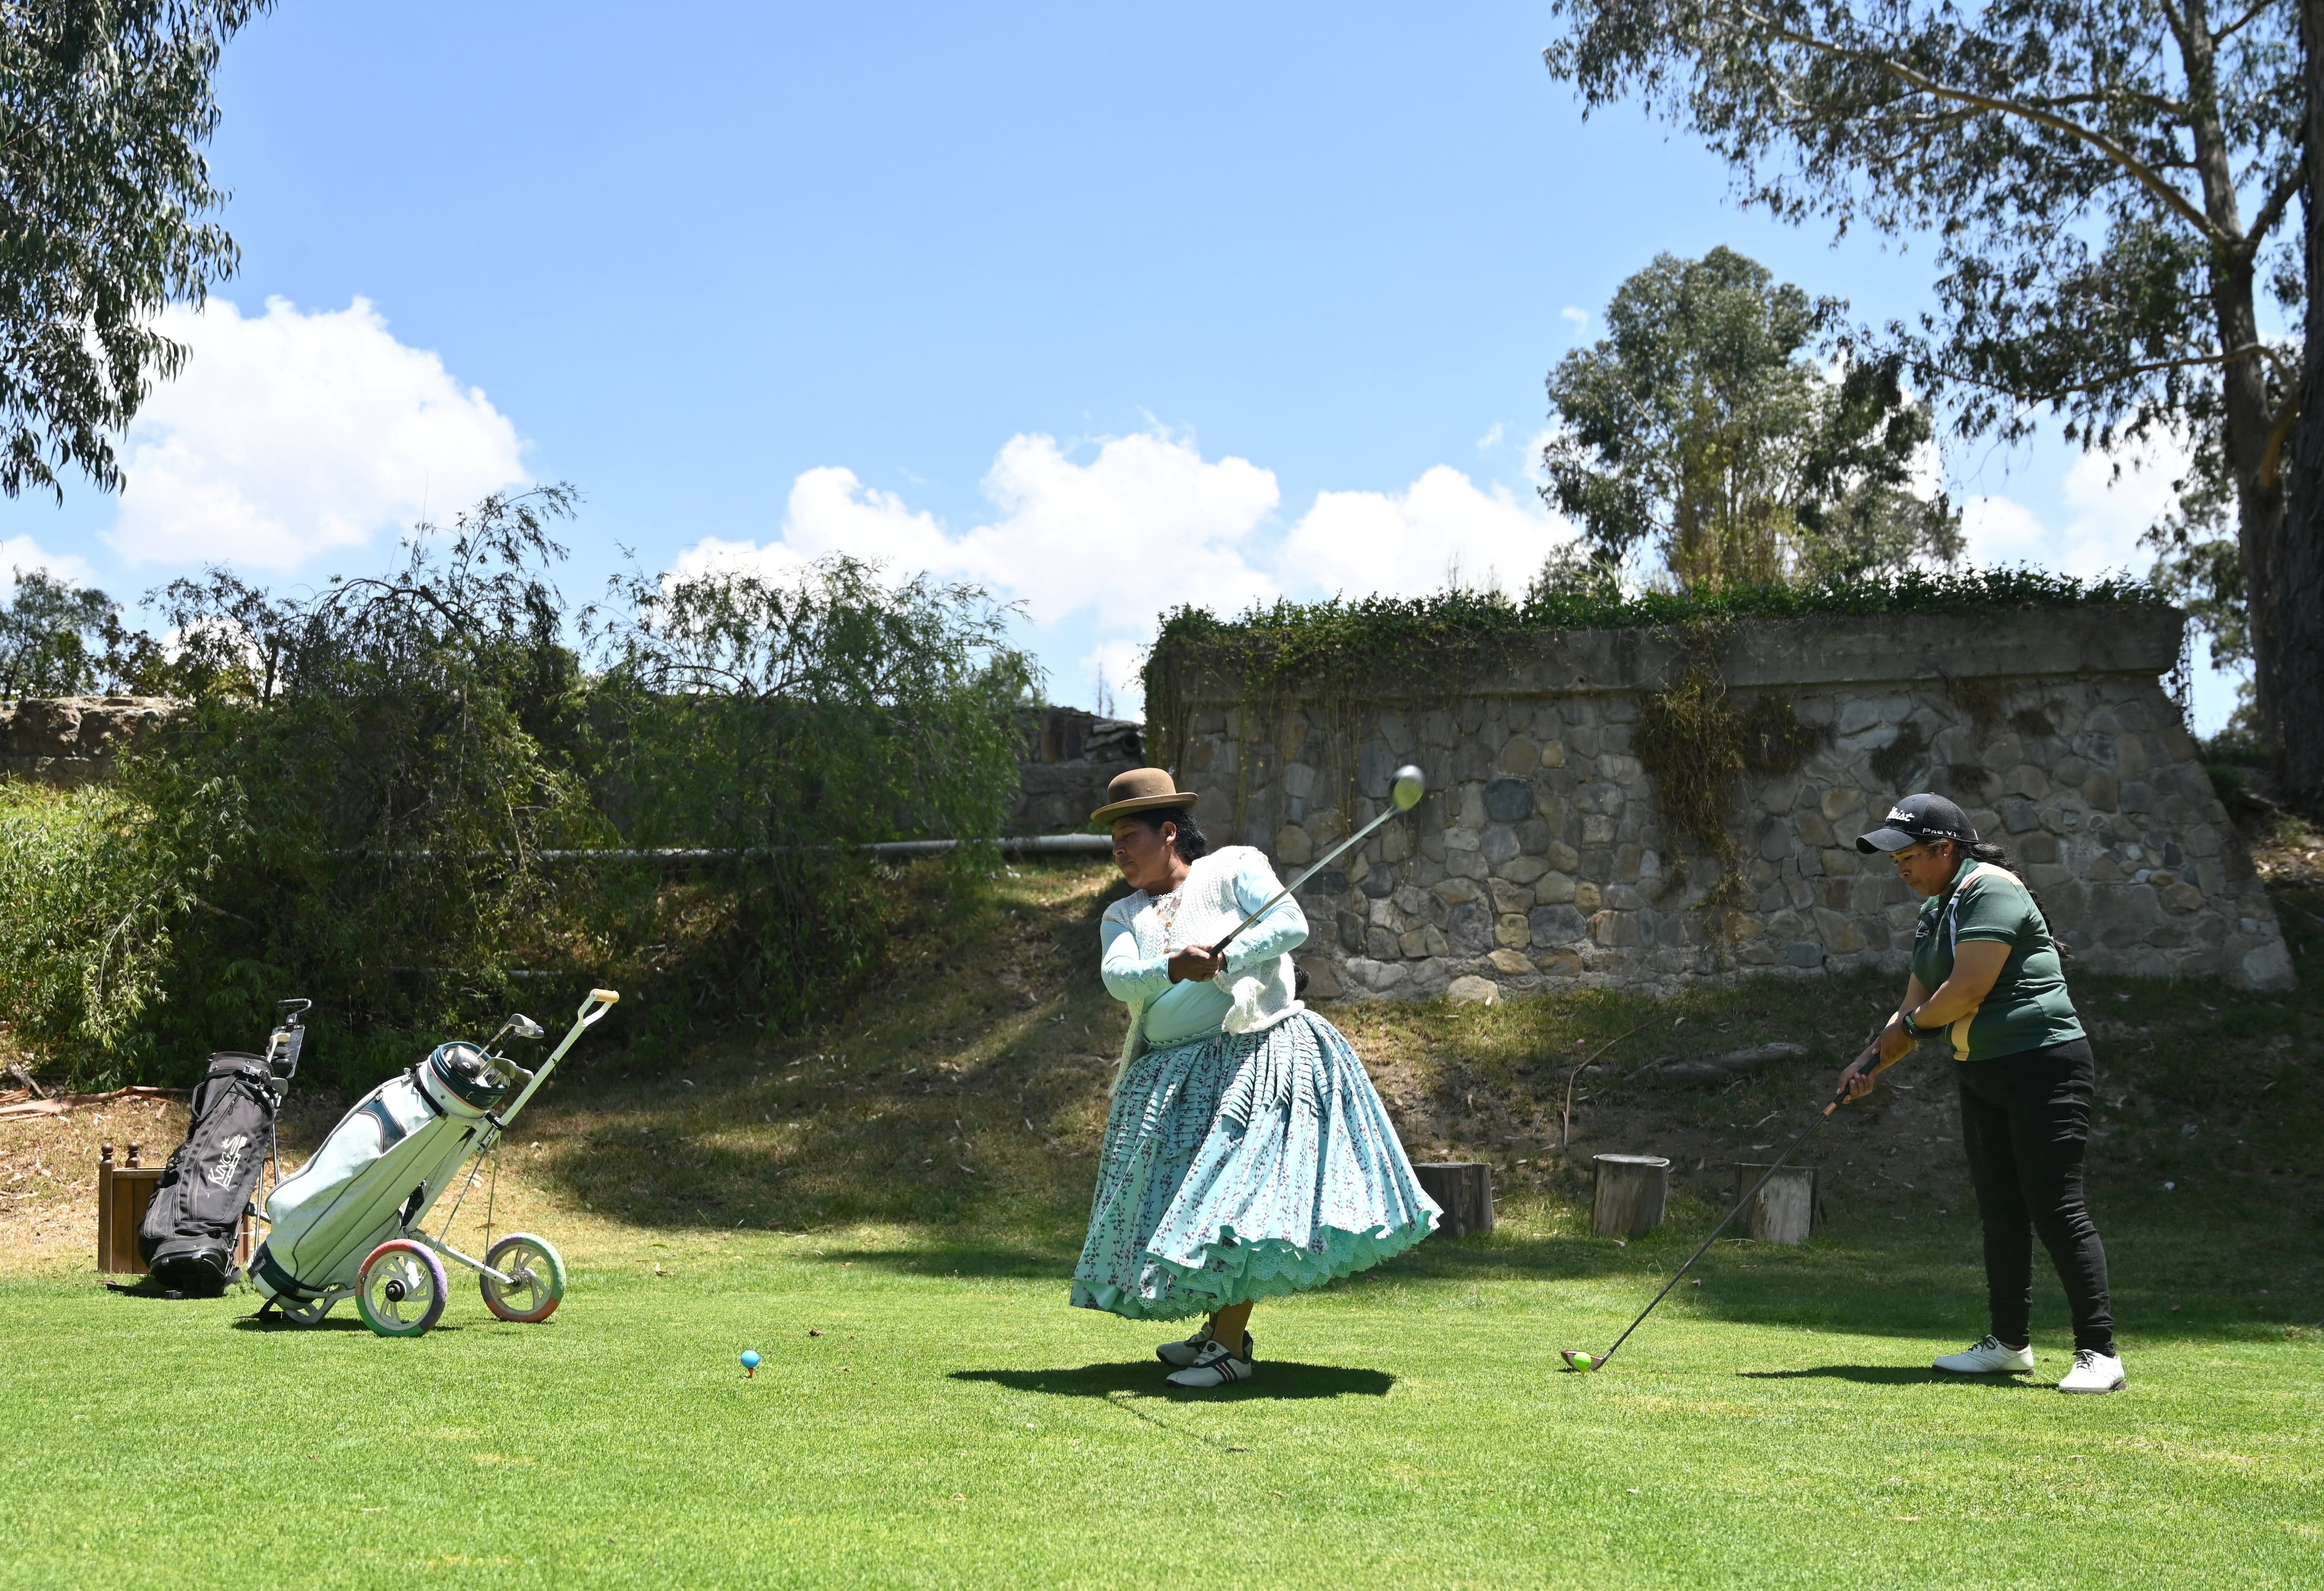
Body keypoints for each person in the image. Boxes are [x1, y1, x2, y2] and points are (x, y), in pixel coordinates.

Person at [1071, 767, 1441, 1388]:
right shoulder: (1121, 914)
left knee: (1234, 1198)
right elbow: (1118, 977)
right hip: (1169, 1074)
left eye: (1127, 837)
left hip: (1255, 1054)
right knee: (1195, 1203)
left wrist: (1226, 956)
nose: (1118, 851)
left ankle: (1229, 1351)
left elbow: (1290, 925)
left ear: (1168, 832)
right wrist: (1172, 966)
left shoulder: (1235, 866)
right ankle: (1224, 1332)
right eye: (1112, 842)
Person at [1838, 792, 2125, 1394]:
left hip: (2045, 1063)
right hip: (1984, 1070)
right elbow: (1913, 1007)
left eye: (1910, 856)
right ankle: (2009, 1344)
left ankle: (2099, 1352)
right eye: (1895, 861)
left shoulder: (1991, 889)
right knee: (2001, 1214)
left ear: (1946, 849)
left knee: (2057, 1208)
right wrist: (1868, 1064)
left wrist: (1909, 1033)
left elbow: (1967, 990)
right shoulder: (1936, 910)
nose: (1902, 869)